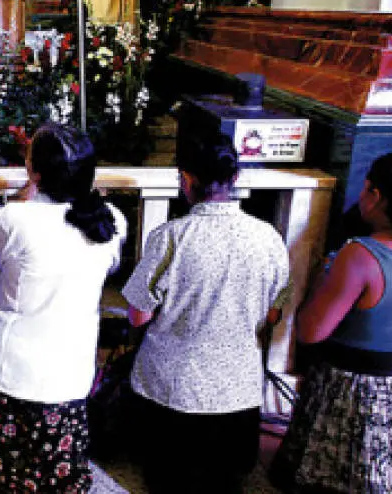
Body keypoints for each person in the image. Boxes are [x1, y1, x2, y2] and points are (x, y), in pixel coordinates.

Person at [121, 130, 289, 493]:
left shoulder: (172, 237)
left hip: (174, 391)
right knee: (225, 483)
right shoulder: (269, 238)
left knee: (171, 482)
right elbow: (274, 313)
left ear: (186, 179)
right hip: (239, 392)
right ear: (236, 178)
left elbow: (138, 315)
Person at [270, 152, 392, 493]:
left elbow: (311, 331)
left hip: (360, 390)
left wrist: (325, 272)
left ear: (376, 196)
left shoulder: (360, 256)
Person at [0, 123, 127, 492]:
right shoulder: (111, 221)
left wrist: (26, 196)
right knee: (62, 475)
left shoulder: (15, 220)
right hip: (69, 371)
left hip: (12, 370)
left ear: (35, 172)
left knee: (11, 471)